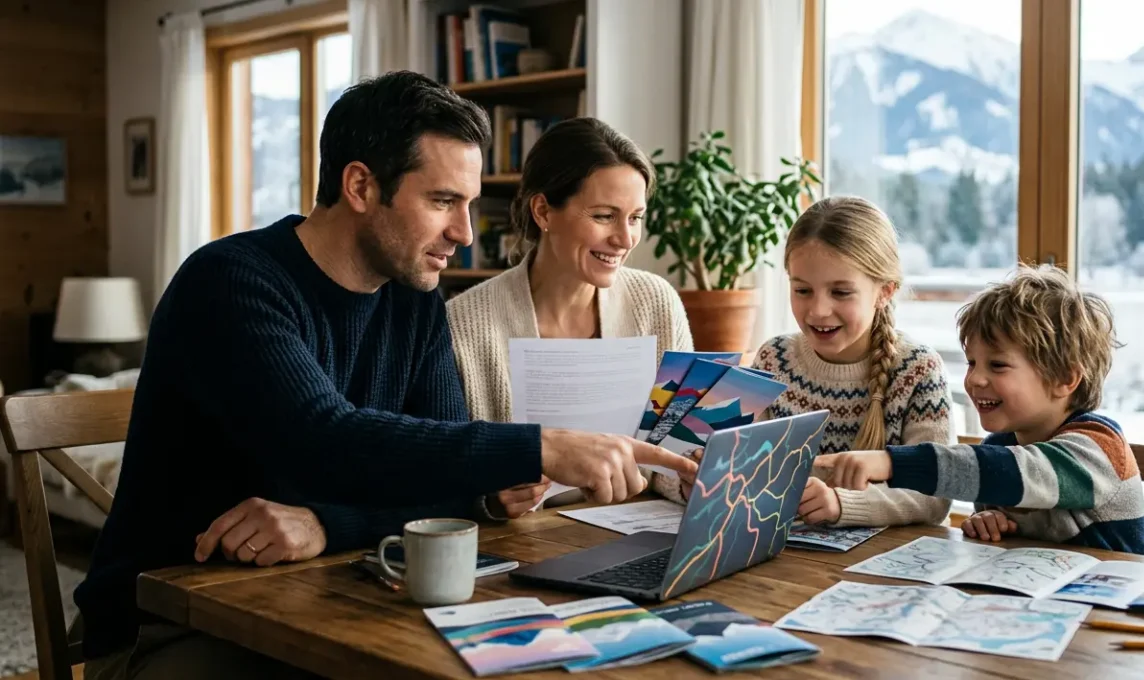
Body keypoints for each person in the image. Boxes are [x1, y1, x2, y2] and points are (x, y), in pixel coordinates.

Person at [76, 72, 696, 680]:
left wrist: (328, 523)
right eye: (442, 201)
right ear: (360, 185)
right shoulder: (231, 282)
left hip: (334, 598)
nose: (465, 232)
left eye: (470, 204)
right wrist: (539, 445)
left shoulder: (413, 296)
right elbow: (322, 440)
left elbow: (451, 482)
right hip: (173, 624)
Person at [815, 264, 1144, 555]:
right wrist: (994, 526)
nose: (975, 379)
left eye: (998, 366)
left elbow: (1014, 472)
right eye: (972, 363)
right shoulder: (997, 449)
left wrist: (891, 462)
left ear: (1064, 379)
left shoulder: (1098, 450)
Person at [447, 117, 693, 514]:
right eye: (603, 216)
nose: (625, 239)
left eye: (635, 217)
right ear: (543, 211)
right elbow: (446, 474)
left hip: (640, 535)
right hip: (521, 548)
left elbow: (673, 455)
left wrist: (690, 473)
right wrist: (490, 498)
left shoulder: (656, 303)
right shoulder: (463, 325)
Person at [706, 196, 952, 528]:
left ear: (885, 292)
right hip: (788, 559)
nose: (818, 310)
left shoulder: (918, 369)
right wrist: (699, 479)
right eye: (803, 290)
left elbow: (934, 495)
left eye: (840, 292)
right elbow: (733, 467)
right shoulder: (772, 359)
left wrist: (842, 504)